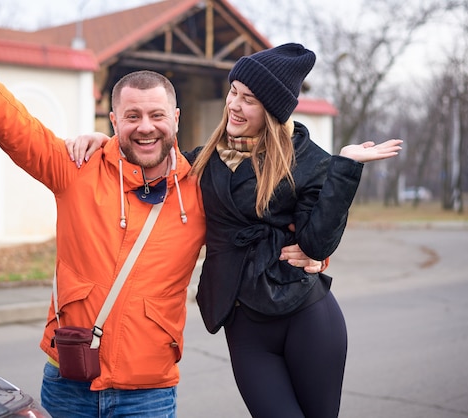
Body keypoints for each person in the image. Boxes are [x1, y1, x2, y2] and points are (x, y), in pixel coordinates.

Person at [0, 13, 323, 418]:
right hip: (68, 384)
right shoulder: (76, 169)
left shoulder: (200, 189)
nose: (145, 126)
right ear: (113, 118)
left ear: (175, 118)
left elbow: (264, 225)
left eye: (156, 115)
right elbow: (13, 125)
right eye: (132, 116)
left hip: (149, 395)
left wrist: (311, 249)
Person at [69, 45, 401, 417]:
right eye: (234, 93)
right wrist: (104, 143)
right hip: (243, 322)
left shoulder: (310, 161)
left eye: (250, 100)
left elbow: (315, 242)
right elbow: (148, 152)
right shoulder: (202, 161)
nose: (235, 106)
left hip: (307, 315)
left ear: (272, 111)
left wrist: (346, 167)